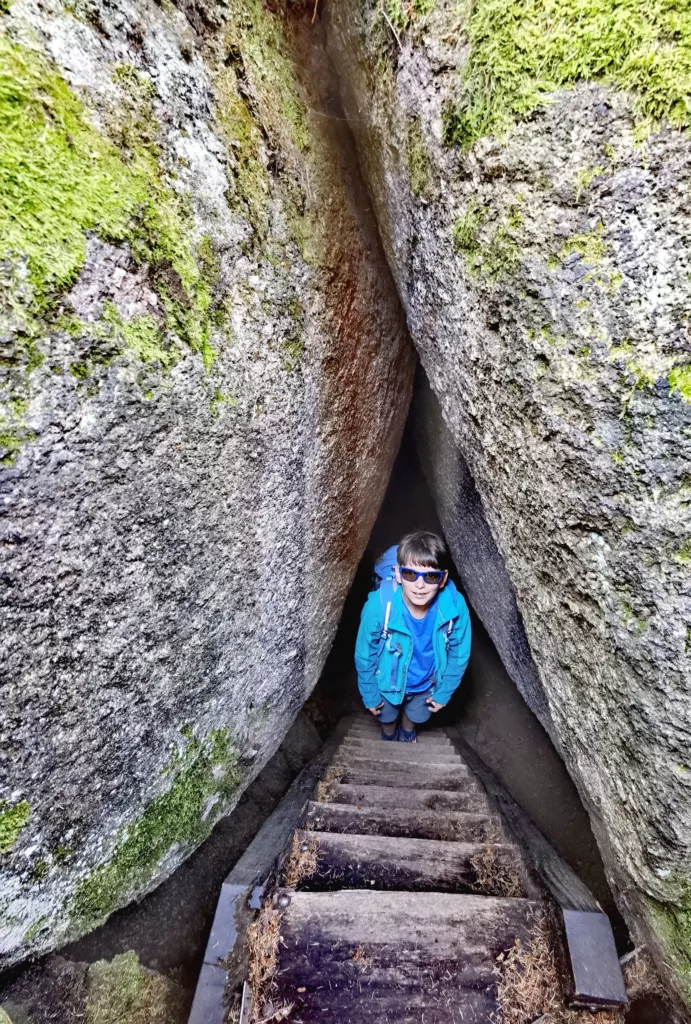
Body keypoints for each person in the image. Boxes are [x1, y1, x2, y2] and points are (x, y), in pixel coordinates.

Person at [354, 531, 471, 742]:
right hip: (387, 682)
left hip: (427, 682)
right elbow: (364, 654)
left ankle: (407, 734)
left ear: (442, 579)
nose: (420, 585)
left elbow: (459, 653)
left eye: (431, 576)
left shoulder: (454, 606)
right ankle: (389, 737)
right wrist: (369, 693)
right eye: (410, 574)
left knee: (415, 715)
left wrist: (444, 692)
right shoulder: (379, 605)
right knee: (386, 717)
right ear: (398, 574)